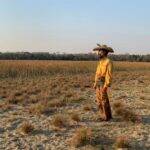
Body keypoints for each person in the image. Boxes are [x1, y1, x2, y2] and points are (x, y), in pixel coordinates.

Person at [93, 44, 114, 121]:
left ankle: (106, 117)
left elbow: (109, 74)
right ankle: (104, 115)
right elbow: (97, 73)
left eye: (100, 51)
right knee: (99, 100)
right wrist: (95, 83)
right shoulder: (100, 61)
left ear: (105, 52)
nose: (98, 53)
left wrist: (106, 85)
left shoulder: (108, 62)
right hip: (98, 82)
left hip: (103, 82)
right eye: (98, 51)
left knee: (104, 100)